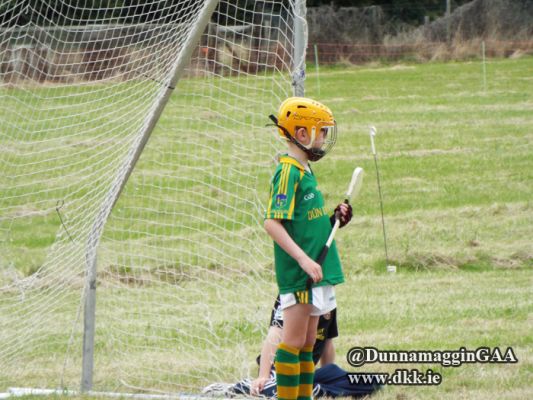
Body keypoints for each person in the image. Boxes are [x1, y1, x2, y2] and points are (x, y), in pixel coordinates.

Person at [262, 97, 351, 400]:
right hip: (301, 273)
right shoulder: (287, 172)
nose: (324, 137)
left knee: (308, 342)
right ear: (302, 134)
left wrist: (334, 220)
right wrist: (302, 260)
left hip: (315, 270)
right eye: (321, 131)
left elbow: (306, 222)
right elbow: (272, 223)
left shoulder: (304, 170)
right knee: (293, 342)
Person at [202, 296, 379, 398]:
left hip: (307, 372)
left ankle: (315, 388)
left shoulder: (327, 298)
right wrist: (263, 375)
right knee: (287, 392)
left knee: (371, 382)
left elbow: (327, 341)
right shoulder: (292, 292)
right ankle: (240, 387)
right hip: (281, 369)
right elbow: (275, 332)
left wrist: (328, 373)